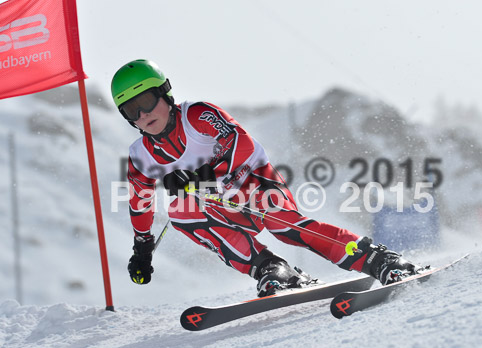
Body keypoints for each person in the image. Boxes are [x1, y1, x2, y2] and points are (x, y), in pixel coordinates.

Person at [111, 59, 418, 297]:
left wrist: (204, 176)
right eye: (130, 110)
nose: (142, 115)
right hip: (222, 207)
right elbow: (140, 203)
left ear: (165, 92)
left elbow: (241, 146)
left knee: (284, 226)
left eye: (147, 102)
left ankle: (377, 259)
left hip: (256, 185)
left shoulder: (197, 115)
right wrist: (142, 248)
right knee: (180, 212)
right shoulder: (141, 155)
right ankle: (271, 269)